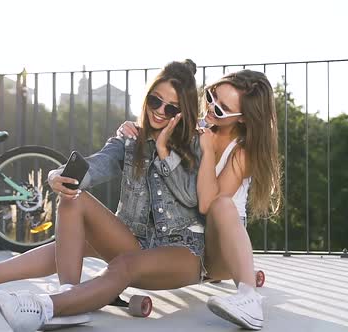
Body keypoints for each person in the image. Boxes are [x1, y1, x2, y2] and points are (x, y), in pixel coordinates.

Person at [0, 59, 205, 332]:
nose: (159, 111)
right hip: (135, 242)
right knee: (73, 195)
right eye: (155, 101)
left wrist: (162, 150)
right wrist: (57, 175)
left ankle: (58, 302)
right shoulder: (130, 139)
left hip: (180, 253)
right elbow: (96, 164)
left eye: (170, 108)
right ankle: (7, 283)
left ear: (183, 113)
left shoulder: (197, 143)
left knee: (101, 254)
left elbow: (191, 197)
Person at [117, 69, 281, 330]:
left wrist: (205, 150)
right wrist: (132, 129)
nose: (211, 108)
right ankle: (41, 285)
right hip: (186, 242)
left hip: (219, 252)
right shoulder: (200, 129)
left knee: (222, 204)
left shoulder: (241, 152)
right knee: (88, 233)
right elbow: (159, 129)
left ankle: (250, 299)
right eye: (211, 97)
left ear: (244, 119)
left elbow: (207, 204)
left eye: (222, 109)